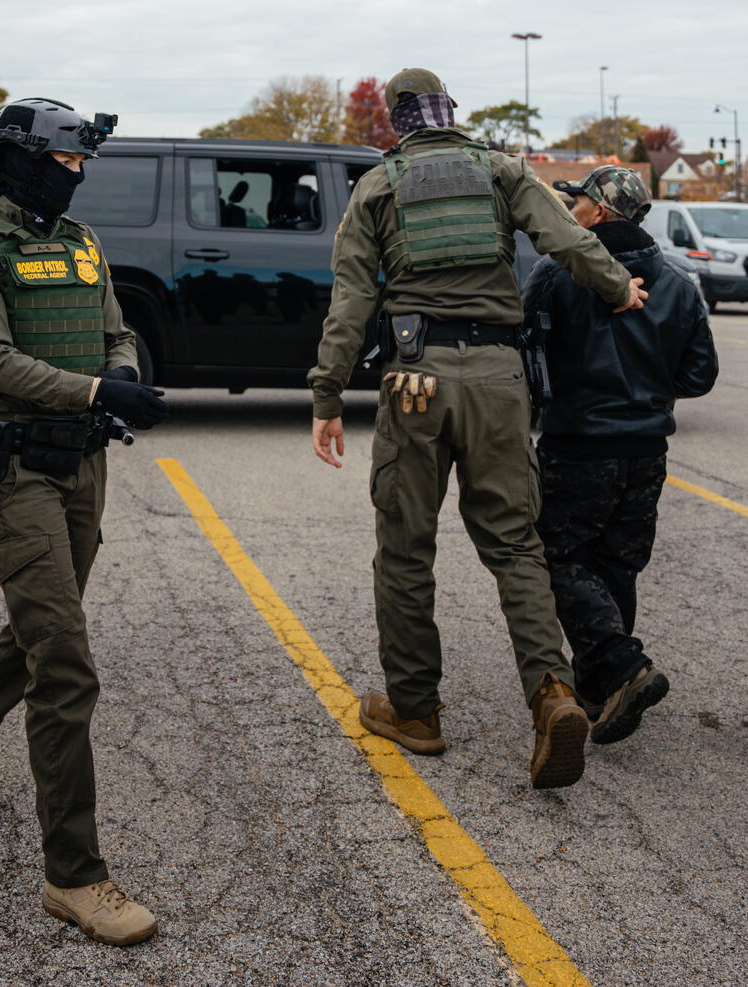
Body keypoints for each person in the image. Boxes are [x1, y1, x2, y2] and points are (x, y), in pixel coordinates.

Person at [308, 68, 646, 789]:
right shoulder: (500, 169)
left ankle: (416, 711)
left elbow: (351, 300)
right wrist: (621, 286)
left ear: (398, 121)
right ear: (449, 113)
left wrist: (327, 394)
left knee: (405, 552)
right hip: (498, 376)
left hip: (413, 377)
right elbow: (566, 241)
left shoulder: (377, 187)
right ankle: (552, 693)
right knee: (517, 546)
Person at [0, 97, 170, 944]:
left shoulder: (80, 243)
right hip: (20, 470)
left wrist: (123, 370)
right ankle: (75, 874)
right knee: (63, 664)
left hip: (85, 466)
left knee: (37, 628)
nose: (77, 177)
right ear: (24, 162)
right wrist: (102, 389)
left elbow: (117, 332)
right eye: (66, 163)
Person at [522, 166, 718, 745]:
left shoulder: (557, 273)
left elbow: (528, 352)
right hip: (646, 448)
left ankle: (623, 665)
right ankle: (602, 686)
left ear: (600, 213)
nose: (571, 208)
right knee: (616, 563)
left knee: (557, 556)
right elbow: (700, 374)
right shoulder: (680, 283)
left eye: (579, 201)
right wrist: (649, 390)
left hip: (578, 445)